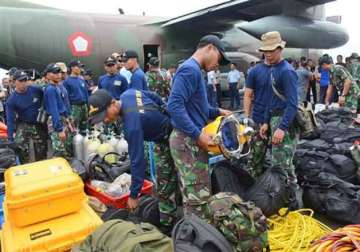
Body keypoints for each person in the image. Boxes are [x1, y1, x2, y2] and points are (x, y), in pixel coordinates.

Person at [88, 89, 176, 234]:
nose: (105, 120)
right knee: (168, 180)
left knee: (168, 182)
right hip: (167, 131)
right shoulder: (128, 94)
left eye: (104, 115)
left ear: (112, 104)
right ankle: (170, 215)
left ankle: (171, 226)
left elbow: (138, 160)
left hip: (170, 139)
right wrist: (165, 110)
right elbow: (153, 96)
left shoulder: (132, 126)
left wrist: (134, 195)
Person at [167, 34, 231, 218]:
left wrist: (218, 111)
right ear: (210, 48)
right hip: (187, 140)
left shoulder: (194, 70)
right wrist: (198, 135)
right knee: (198, 199)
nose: (218, 64)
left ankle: (193, 234)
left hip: (189, 139)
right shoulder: (190, 70)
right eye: (219, 58)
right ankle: (196, 238)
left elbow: (198, 107)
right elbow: (174, 106)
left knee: (194, 194)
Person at [259, 31, 299, 190]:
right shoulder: (273, 69)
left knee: (283, 165)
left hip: (285, 122)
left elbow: (293, 104)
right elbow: (271, 99)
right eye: (265, 51)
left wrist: (282, 128)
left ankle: (291, 198)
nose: (267, 55)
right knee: (279, 163)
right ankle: (285, 196)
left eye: (271, 51)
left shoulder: (286, 71)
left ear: (280, 49)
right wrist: (265, 122)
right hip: (274, 119)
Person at [6, 70, 47, 163]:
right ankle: (25, 166)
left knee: (41, 150)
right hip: (24, 123)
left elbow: (47, 97)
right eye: (20, 81)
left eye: (25, 80)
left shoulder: (36, 90)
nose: (23, 83)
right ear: (14, 82)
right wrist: (10, 138)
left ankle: (41, 168)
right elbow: (10, 120)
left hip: (38, 123)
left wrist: (44, 112)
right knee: (19, 146)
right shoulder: (11, 100)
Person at [244, 56, 271, 177]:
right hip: (258, 119)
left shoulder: (284, 70)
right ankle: (254, 185)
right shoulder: (255, 71)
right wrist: (246, 116)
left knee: (280, 159)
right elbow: (248, 95)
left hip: (278, 119)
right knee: (256, 156)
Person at [43, 63, 74, 159]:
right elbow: (54, 110)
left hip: (63, 119)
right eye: (54, 73)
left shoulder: (59, 87)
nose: (58, 75)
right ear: (48, 75)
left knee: (67, 148)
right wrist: (59, 130)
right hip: (56, 121)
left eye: (59, 72)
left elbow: (65, 106)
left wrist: (68, 121)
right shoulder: (50, 90)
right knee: (59, 151)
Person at [63, 60, 89, 133]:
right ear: (72, 68)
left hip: (84, 106)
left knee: (84, 127)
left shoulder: (81, 80)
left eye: (81, 67)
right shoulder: (67, 81)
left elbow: (86, 94)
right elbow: (65, 98)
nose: (80, 69)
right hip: (74, 107)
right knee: (74, 128)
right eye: (78, 67)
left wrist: (88, 106)